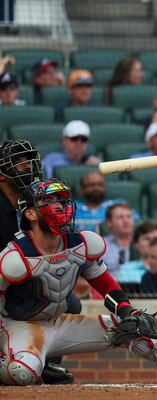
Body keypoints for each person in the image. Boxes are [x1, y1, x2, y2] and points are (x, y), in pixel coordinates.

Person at [0, 178, 157, 385]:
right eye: (49, 202)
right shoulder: (14, 258)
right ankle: (32, 364)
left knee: (135, 328)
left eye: (61, 200)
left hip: (59, 322)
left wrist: (127, 310)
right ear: (30, 213)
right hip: (18, 326)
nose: (59, 207)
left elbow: (105, 284)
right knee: (22, 373)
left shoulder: (81, 243)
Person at [0, 141, 75, 384]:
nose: (28, 166)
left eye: (30, 160)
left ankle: (46, 363)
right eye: (20, 162)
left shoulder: (36, 199)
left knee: (68, 299)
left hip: (25, 279)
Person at [74, 171, 140, 231]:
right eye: (91, 185)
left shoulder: (119, 204)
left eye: (100, 185)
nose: (96, 188)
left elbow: (136, 223)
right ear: (82, 189)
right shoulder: (72, 208)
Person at [103, 203, 135, 275]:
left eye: (129, 217)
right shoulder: (100, 245)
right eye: (120, 217)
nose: (126, 221)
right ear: (109, 222)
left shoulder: (141, 243)